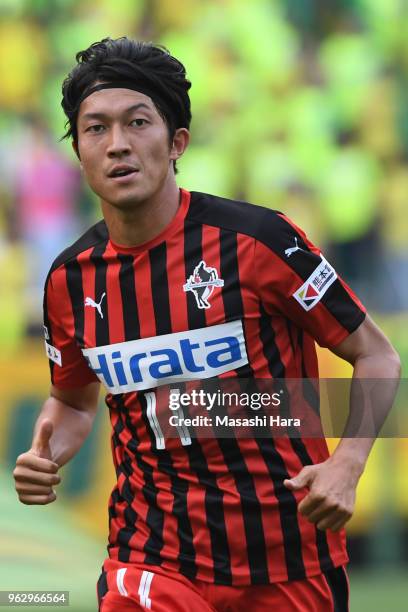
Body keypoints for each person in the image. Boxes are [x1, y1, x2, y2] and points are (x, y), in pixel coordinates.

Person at [13, 37, 400, 612]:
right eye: (95, 129)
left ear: (177, 143)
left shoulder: (261, 240)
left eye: (137, 122)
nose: (117, 144)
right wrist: (49, 449)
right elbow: (72, 402)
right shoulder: (69, 281)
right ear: (79, 152)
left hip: (289, 557)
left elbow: (378, 355)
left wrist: (347, 463)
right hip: (151, 555)